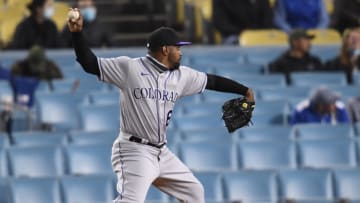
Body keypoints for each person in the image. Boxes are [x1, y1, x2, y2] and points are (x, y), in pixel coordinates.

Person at [68, 8, 255, 203]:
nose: (181, 52)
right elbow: (89, 63)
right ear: (165, 49)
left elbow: (212, 82)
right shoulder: (130, 67)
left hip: (161, 152)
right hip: (134, 150)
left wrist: (244, 91)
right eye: (178, 48)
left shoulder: (182, 76)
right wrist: (77, 34)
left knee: (194, 193)